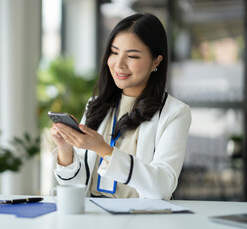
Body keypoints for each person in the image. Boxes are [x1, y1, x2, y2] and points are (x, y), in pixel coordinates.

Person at [50, 13, 191, 200]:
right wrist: (65, 149)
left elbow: (162, 187)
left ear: (156, 61)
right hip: (93, 219)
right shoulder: (96, 106)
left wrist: (104, 150)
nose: (119, 64)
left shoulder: (174, 113)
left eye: (132, 56)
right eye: (114, 52)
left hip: (140, 220)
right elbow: (75, 186)